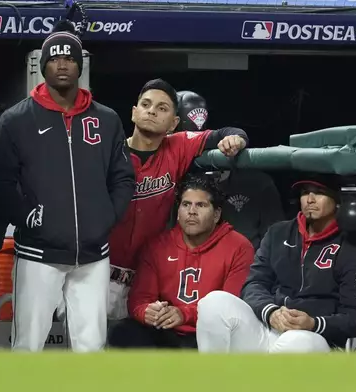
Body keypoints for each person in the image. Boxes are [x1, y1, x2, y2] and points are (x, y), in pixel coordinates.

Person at [0, 20, 135, 352]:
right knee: (28, 344)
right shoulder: (16, 119)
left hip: (93, 254)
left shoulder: (106, 119)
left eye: (69, 58)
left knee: (91, 345)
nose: (62, 64)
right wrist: (27, 217)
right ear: (43, 66)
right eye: (54, 58)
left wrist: (106, 217)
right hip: (38, 253)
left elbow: (123, 176)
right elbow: (1, 181)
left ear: (79, 65)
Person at [106, 79, 249, 321]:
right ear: (133, 112)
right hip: (99, 273)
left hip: (145, 279)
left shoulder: (178, 146)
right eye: (146, 104)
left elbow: (226, 133)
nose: (151, 110)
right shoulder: (107, 152)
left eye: (162, 108)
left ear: (174, 123)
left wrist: (236, 139)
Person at [196, 175, 356, 353]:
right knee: (213, 302)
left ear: (337, 200)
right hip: (270, 326)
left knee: (295, 342)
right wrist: (271, 312)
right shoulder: (279, 232)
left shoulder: (353, 245)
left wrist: (314, 323)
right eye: (305, 193)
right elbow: (254, 284)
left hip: (315, 337)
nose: (310, 199)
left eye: (319, 193)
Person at [108, 175, 254, 348]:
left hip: (209, 334)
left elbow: (231, 307)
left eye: (201, 205)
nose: (192, 211)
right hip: (167, 330)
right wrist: (148, 312)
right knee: (122, 332)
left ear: (216, 215)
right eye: (186, 204)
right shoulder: (158, 245)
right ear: (178, 212)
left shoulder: (239, 246)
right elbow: (139, 299)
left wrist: (185, 314)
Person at [170, 90, 285, 248]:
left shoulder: (257, 183)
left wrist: (237, 139)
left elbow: (276, 243)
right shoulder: (170, 177)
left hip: (246, 266)